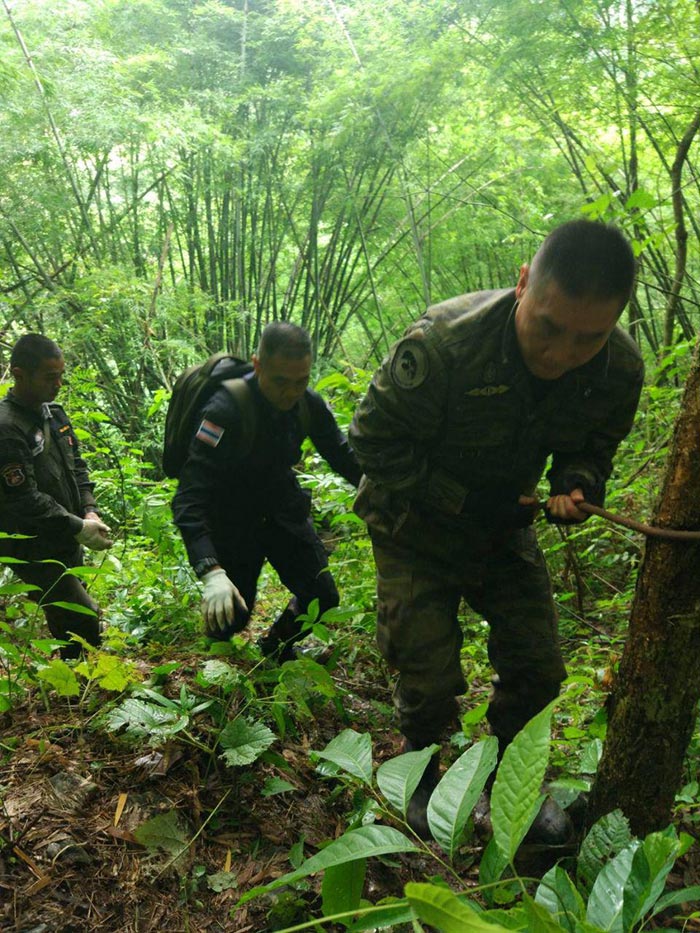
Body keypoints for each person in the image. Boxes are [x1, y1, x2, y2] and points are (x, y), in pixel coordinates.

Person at [349, 219, 644, 840]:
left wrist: (578, 485)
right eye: (549, 327)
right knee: (426, 665)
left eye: (586, 339)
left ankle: (513, 781)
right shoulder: (444, 344)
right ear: (521, 285)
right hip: (412, 522)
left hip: (502, 527)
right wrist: (457, 496)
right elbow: (372, 440)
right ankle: (425, 770)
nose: (561, 355)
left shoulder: (617, 369)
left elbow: (594, 446)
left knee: (537, 662)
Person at [172, 321, 362, 660]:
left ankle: (275, 651)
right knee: (232, 616)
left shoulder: (308, 404)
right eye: (280, 382)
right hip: (232, 520)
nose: (291, 392)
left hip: (281, 510)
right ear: (257, 364)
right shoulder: (224, 410)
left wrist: (387, 490)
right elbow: (189, 497)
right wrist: (211, 572)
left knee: (321, 596)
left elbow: (343, 458)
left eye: (300, 381)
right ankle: (217, 663)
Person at [0, 334, 113, 658]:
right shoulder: (7, 428)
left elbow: (77, 466)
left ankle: (73, 683)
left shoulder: (55, 414)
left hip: (64, 534)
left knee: (67, 617)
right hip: (30, 544)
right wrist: (77, 526)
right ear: (20, 374)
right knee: (83, 616)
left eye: (61, 375)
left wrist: (89, 511)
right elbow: (21, 499)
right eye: (51, 377)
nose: (59, 383)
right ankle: (79, 684)